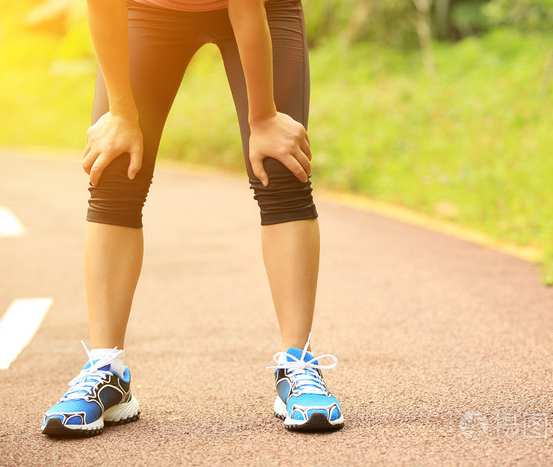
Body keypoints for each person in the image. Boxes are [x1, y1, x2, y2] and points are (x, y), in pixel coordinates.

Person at [40, 0, 343, 436]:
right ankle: (106, 370)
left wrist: (264, 119)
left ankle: (297, 366)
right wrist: (122, 114)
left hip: (261, 8)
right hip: (148, 10)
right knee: (116, 166)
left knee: (279, 166)